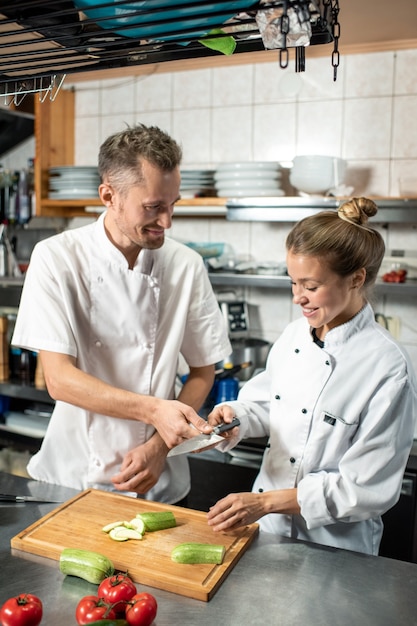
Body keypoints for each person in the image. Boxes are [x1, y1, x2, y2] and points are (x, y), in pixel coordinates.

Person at [12, 123, 231, 504]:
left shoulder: (185, 265)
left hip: (158, 480)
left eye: (172, 204)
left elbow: (202, 371)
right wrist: (155, 412)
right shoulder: (57, 258)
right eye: (152, 208)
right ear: (109, 196)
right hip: (72, 478)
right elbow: (60, 380)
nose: (167, 222)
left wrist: (161, 446)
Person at [206, 197, 417, 555]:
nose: (297, 298)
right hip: (267, 533)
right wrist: (235, 417)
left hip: (337, 549)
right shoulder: (293, 337)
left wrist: (266, 502)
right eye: (293, 283)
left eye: (311, 286)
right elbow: (267, 405)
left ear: (356, 279)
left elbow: (362, 490)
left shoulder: (387, 366)